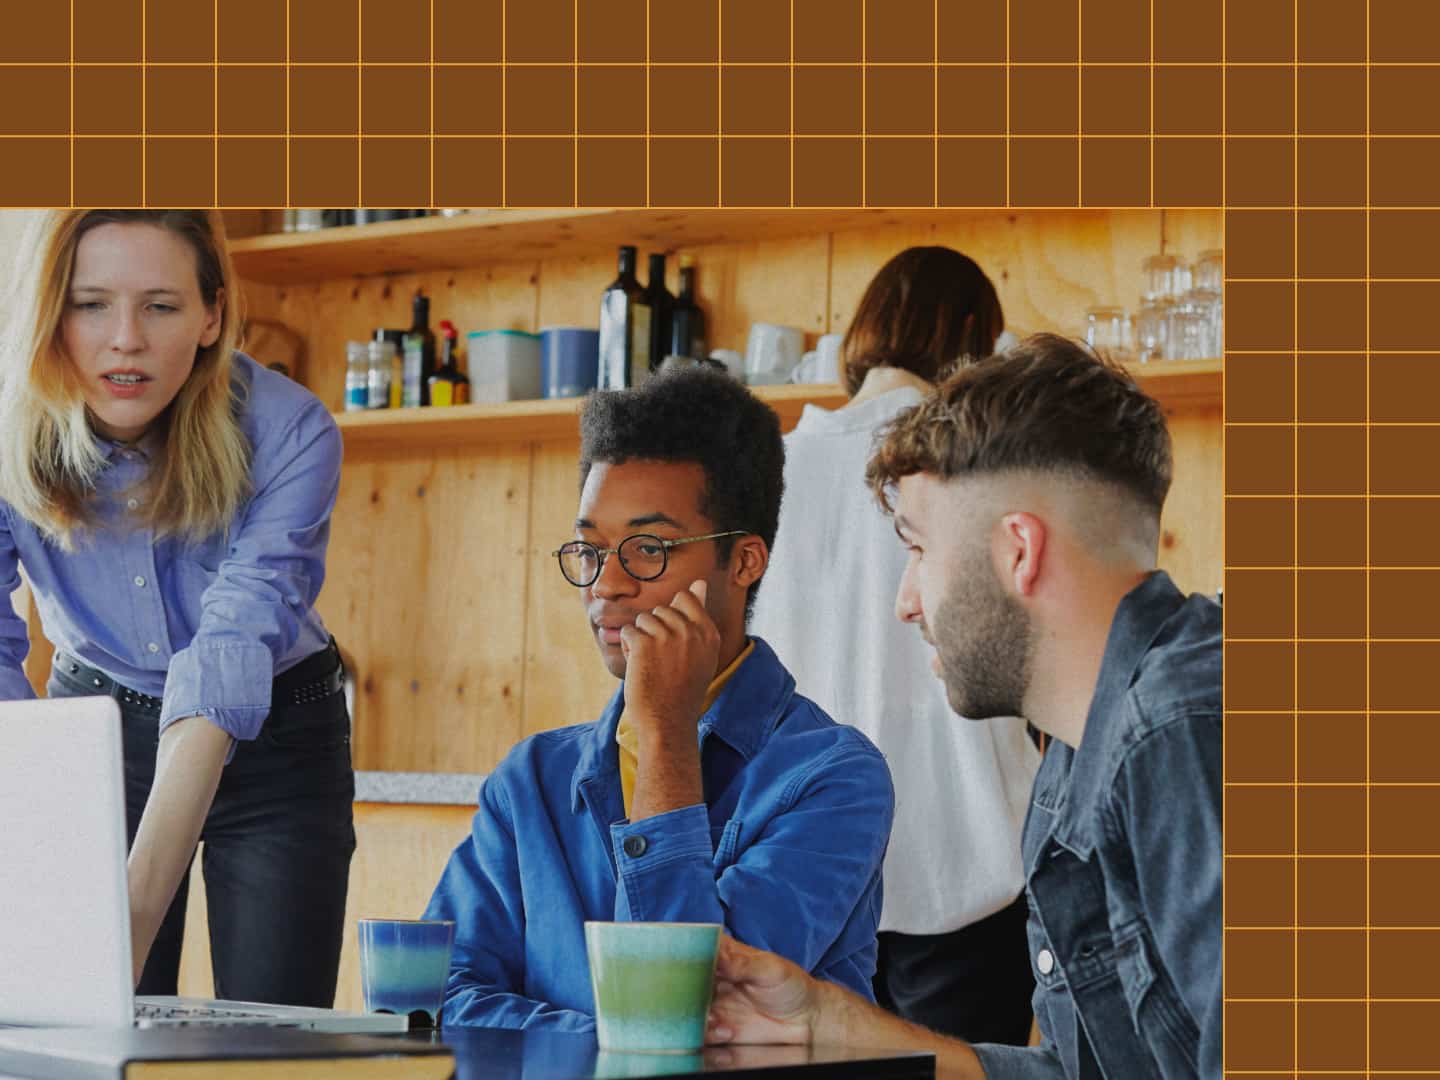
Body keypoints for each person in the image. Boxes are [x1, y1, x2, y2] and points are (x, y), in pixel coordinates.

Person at [707, 335, 1222, 1078]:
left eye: (917, 550)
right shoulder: (1073, 760)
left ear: (1019, 551)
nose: (905, 602)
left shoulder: (1181, 730)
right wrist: (826, 1026)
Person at [425, 366, 895, 1029]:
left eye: (647, 549)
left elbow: (690, 1015)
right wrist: (609, 1037)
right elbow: (436, 999)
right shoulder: (530, 781)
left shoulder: (834, 778)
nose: (605, 586)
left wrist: (666, 733)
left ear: (744, 561)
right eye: (591, 550)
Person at [0, 210, 354, 1006]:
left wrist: (123, 927)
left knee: (271, 1041)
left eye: (160, 305)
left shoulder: (290, 432)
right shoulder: (3, 434)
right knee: (84, 1029)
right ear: (49, 310)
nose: (125, 339)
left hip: (278, 738)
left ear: (212, 315)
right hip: (96, 724)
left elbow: (232, 646)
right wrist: (33, 825)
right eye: (90, 304)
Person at [751, 246, 1040, 1044]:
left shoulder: (766, 471)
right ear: (973, 340)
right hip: (968, 854)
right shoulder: (983, 464)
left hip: (809, 865)